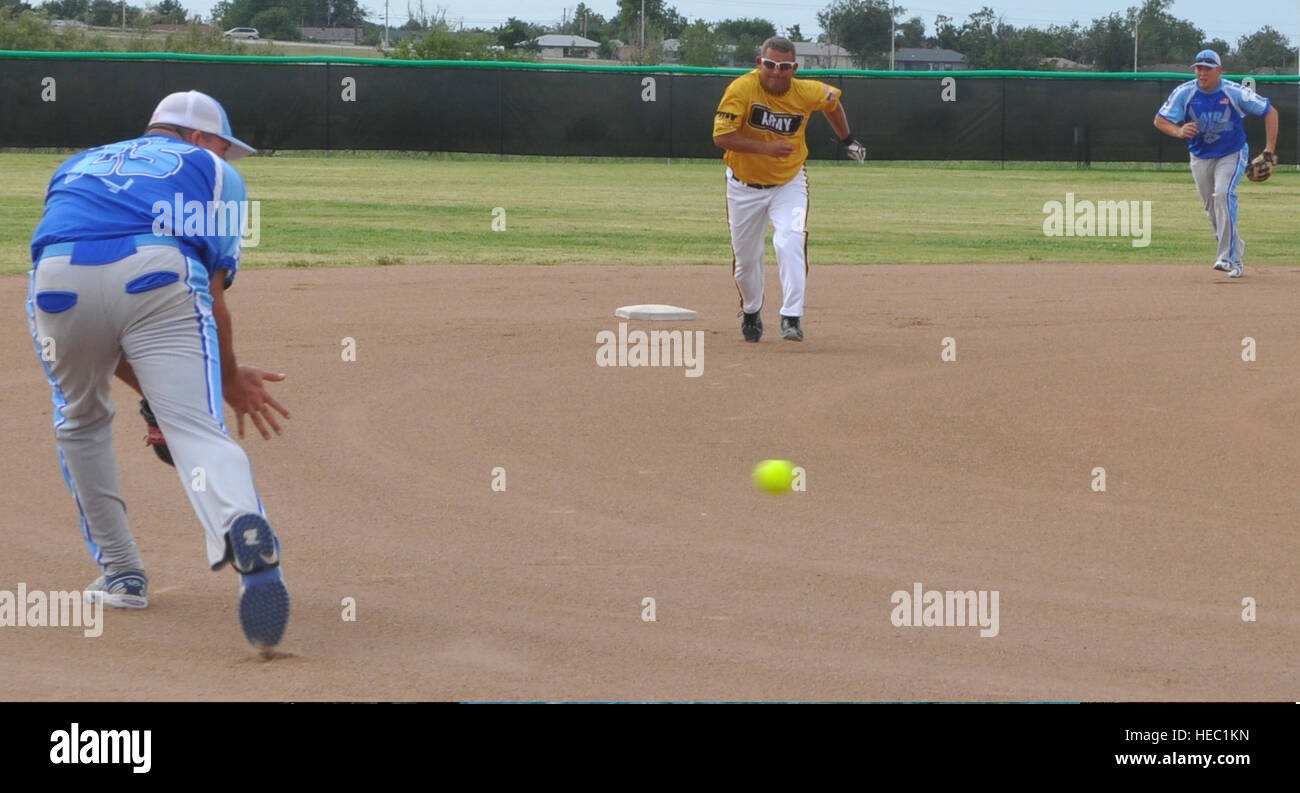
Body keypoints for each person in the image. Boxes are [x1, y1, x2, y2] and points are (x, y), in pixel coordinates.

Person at [27, 90, 292, 648]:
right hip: (159, 271)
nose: (228, 157)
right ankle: (243, 532)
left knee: (79, 420)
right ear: (198, 138)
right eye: (224, 144)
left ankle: (122, 576)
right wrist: (227, 380)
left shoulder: (78, 162)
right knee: (195, 428)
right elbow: (214, 299)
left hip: (57, 280)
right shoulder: (210, 170)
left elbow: (106, 322)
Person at [713, 36, 866, 342]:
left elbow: (832, 103)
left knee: (790, 240)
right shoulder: (741, 89)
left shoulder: (806, 91)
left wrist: (847, 139)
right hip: (743, 186)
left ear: (794, 68)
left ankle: (791, 316)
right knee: (746, 260)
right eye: (770, 64)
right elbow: (722, 136)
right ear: (760, 64)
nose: (776, 71)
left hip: (789, 182)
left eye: (784, 66)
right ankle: (752, 310)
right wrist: (765, 149)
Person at [1154, 49, 1279, 279]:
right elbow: (1160, 120)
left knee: (1222, 194)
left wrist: (1269, 150)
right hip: (1200, 155)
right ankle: (1237, 251)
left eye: (1207, 68)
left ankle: (1227, 257)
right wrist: (1179, 130)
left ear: (1219, 71)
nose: (1202, 72)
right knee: (1212, 209)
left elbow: (1270, 112)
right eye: (1199, 68)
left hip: (1231, 152)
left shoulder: (1233, 92)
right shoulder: (1185, 92)